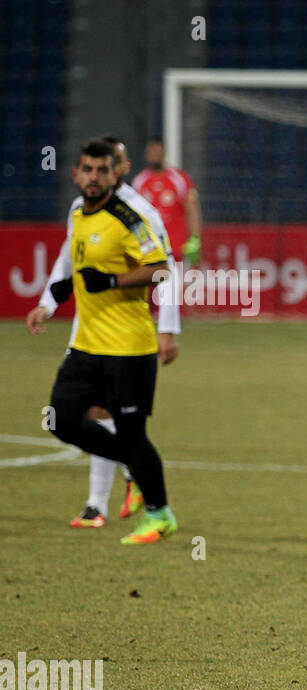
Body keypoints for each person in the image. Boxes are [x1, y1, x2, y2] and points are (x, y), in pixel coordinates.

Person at [26, 138, 180, 545]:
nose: (94, 178)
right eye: (87, 170)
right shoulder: (77, 212)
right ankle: (135, 471)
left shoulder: (130, 219)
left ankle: (159, 514)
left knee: (131, 436)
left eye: (102, 170)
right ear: (76, 174)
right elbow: (71, 269)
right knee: (60, 418)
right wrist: (48, 303)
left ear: (116, 174)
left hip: (129, 349)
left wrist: (113, 281)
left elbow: (162, 270)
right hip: (87, 347)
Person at [134, 138, 202, 268]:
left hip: (176, 249)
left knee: (174, 286)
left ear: (164, 153)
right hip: (150, 250)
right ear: (147, 154)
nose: (155, 156)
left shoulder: (178, 179)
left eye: (158, 152)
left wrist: (195, 240)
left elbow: (192, 211)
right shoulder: (139, 182)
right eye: (152, 152)